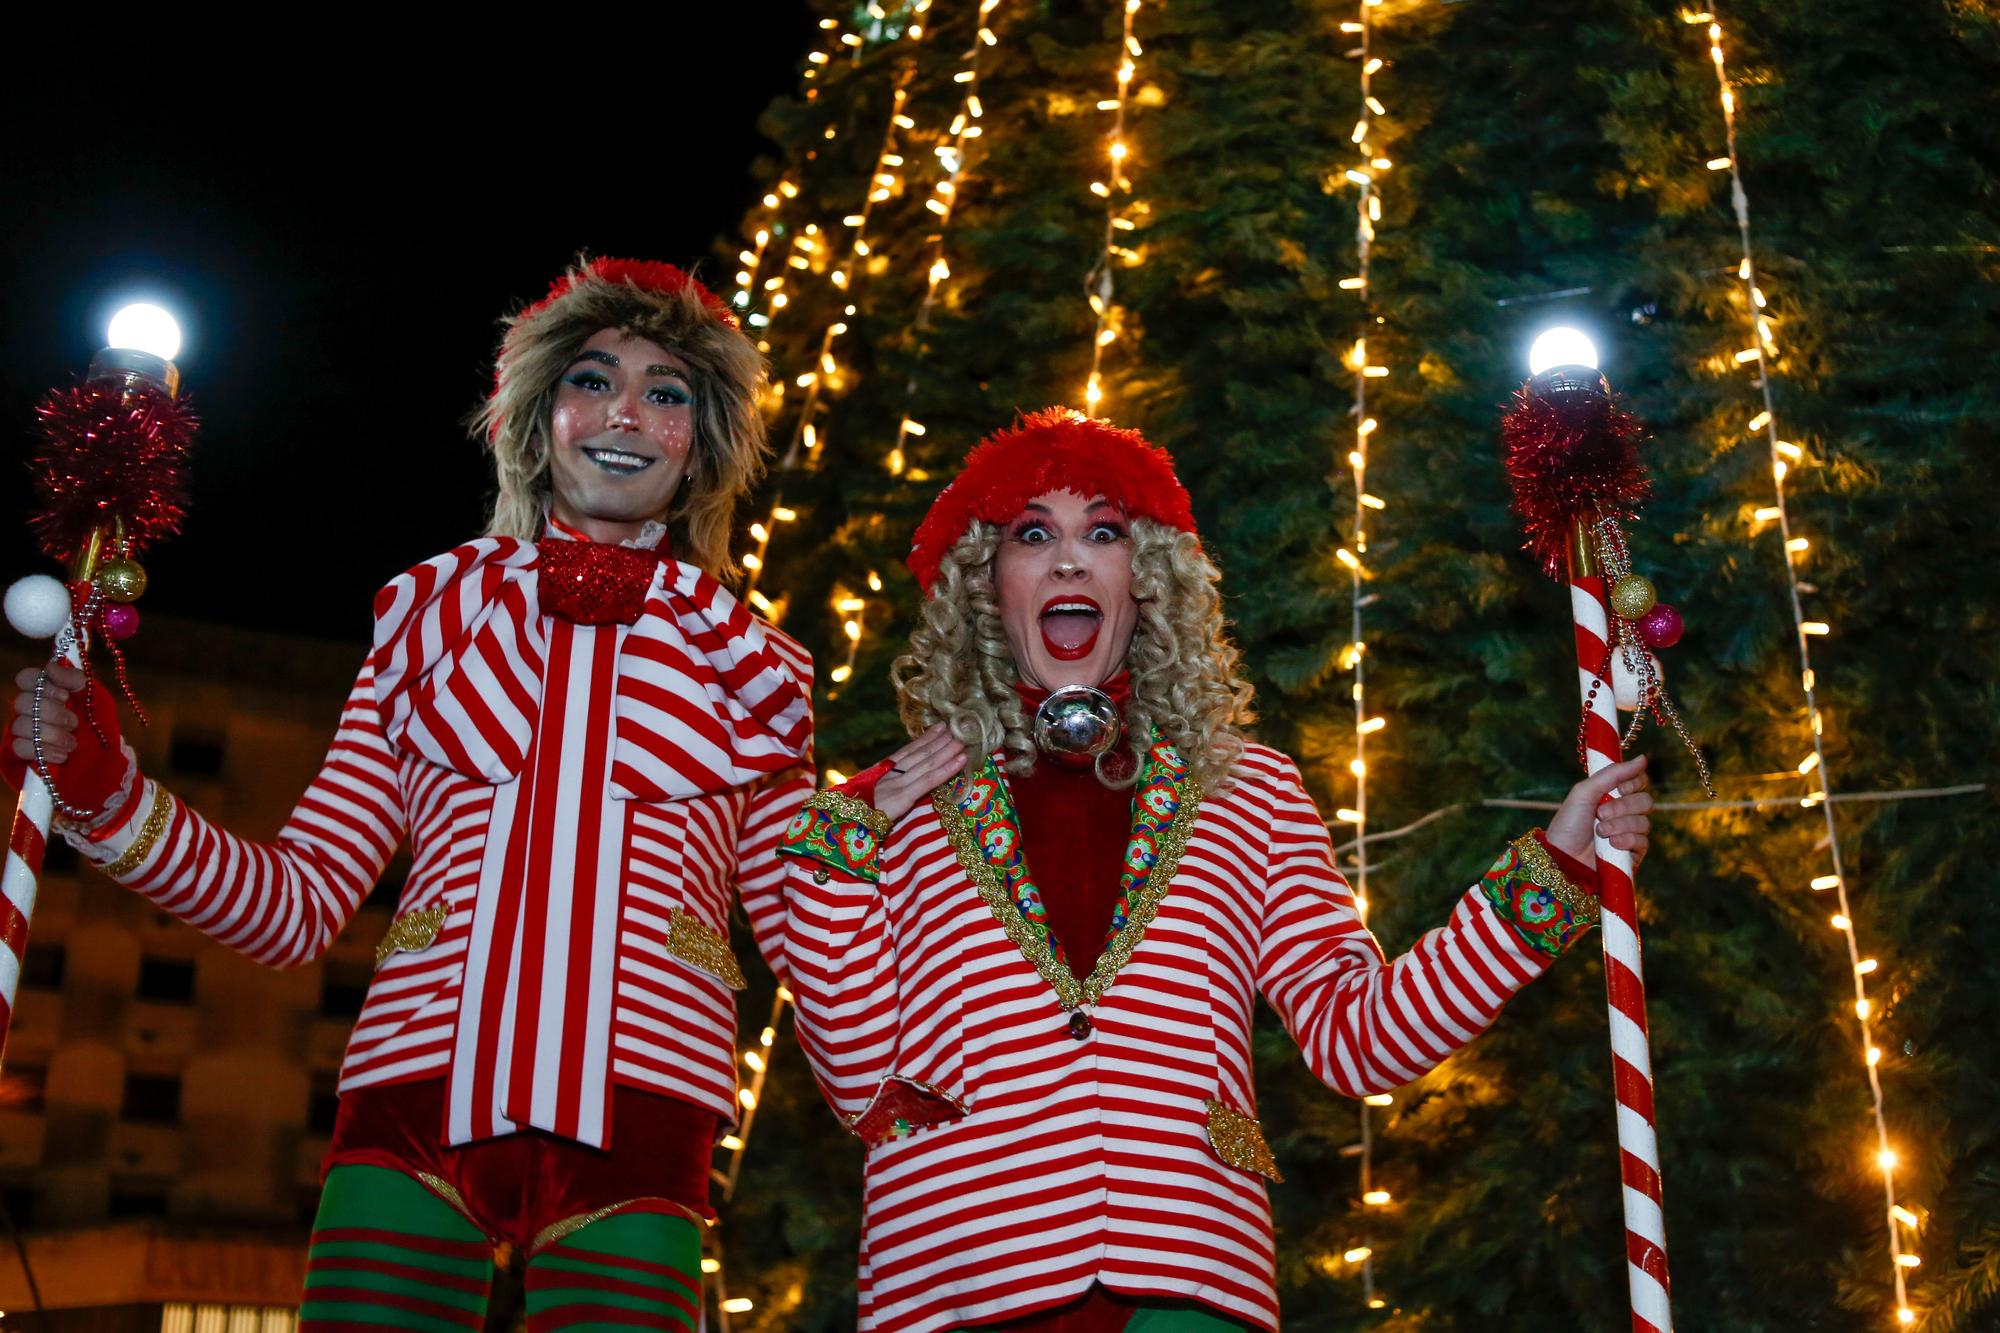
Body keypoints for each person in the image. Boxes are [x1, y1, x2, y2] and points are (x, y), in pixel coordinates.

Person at [8, 258, 813, 1333]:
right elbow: (290, 906)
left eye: (667, 392)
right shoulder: (430, 622)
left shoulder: (752, 670)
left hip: (647, 1122)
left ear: (700, 445)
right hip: (411, 1109)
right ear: (533, 424)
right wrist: (107, 793)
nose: (626, 411)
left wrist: (887, 836)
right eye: (590, 379)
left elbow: (819, 931)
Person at [776, 409, 1650, 1333]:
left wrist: (1550, 875)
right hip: (959, 1280)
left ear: (1144, 578)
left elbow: (1359, 1037)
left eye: (1102, 532)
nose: (1070, 561)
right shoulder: (893, 805)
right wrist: (840, 844)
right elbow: (860, 1079)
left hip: (1189, 1273)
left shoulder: (1248, 788)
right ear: (986, 583)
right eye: (1033, 534)